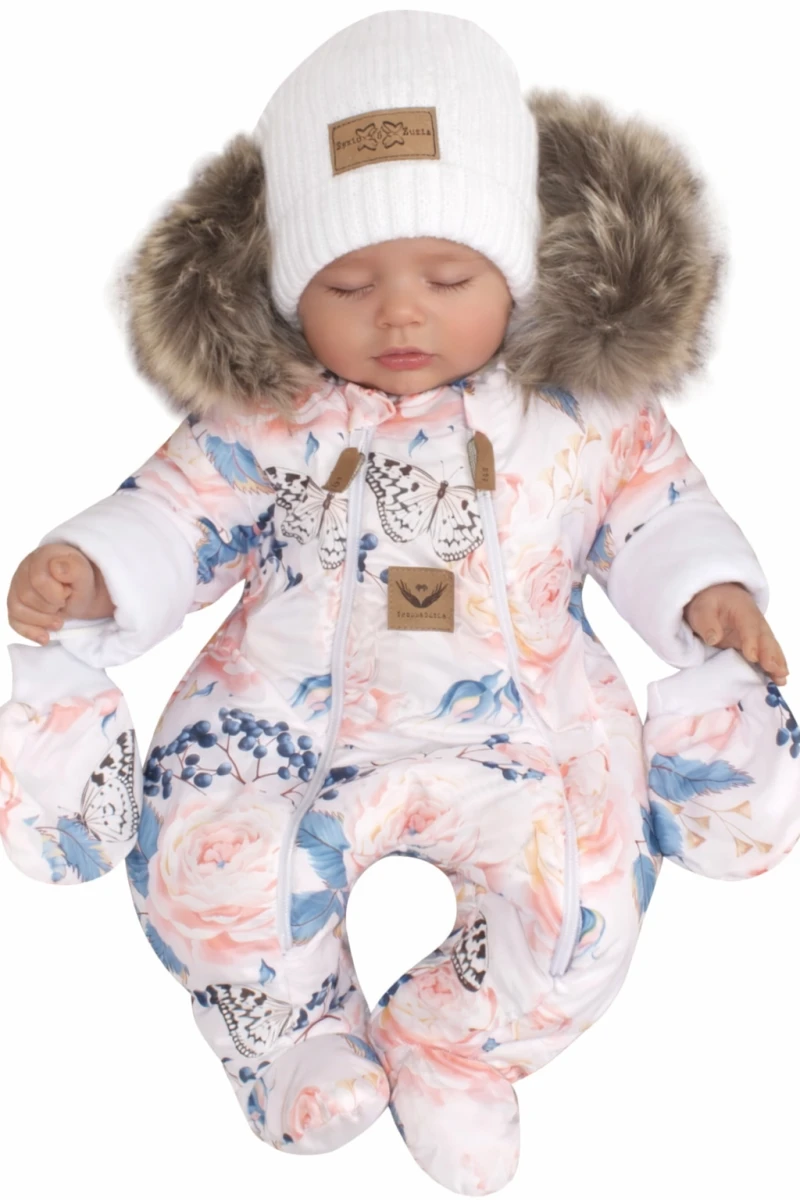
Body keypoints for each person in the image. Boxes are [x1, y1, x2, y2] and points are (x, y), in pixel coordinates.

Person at [1, 10, 791, 1195]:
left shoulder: (583, 410)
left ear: (516, 269)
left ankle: (454, 1048)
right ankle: (293, 1044)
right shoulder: (268, 414)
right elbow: (176, 511)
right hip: (283, 721)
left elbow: (655, 510)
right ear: (289, 293)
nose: (400, 313)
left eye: (448, 276)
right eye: (349, 283)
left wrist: (706, 589)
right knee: (212, 868)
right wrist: (98, 567)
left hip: (525, 723)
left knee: (581, 905)